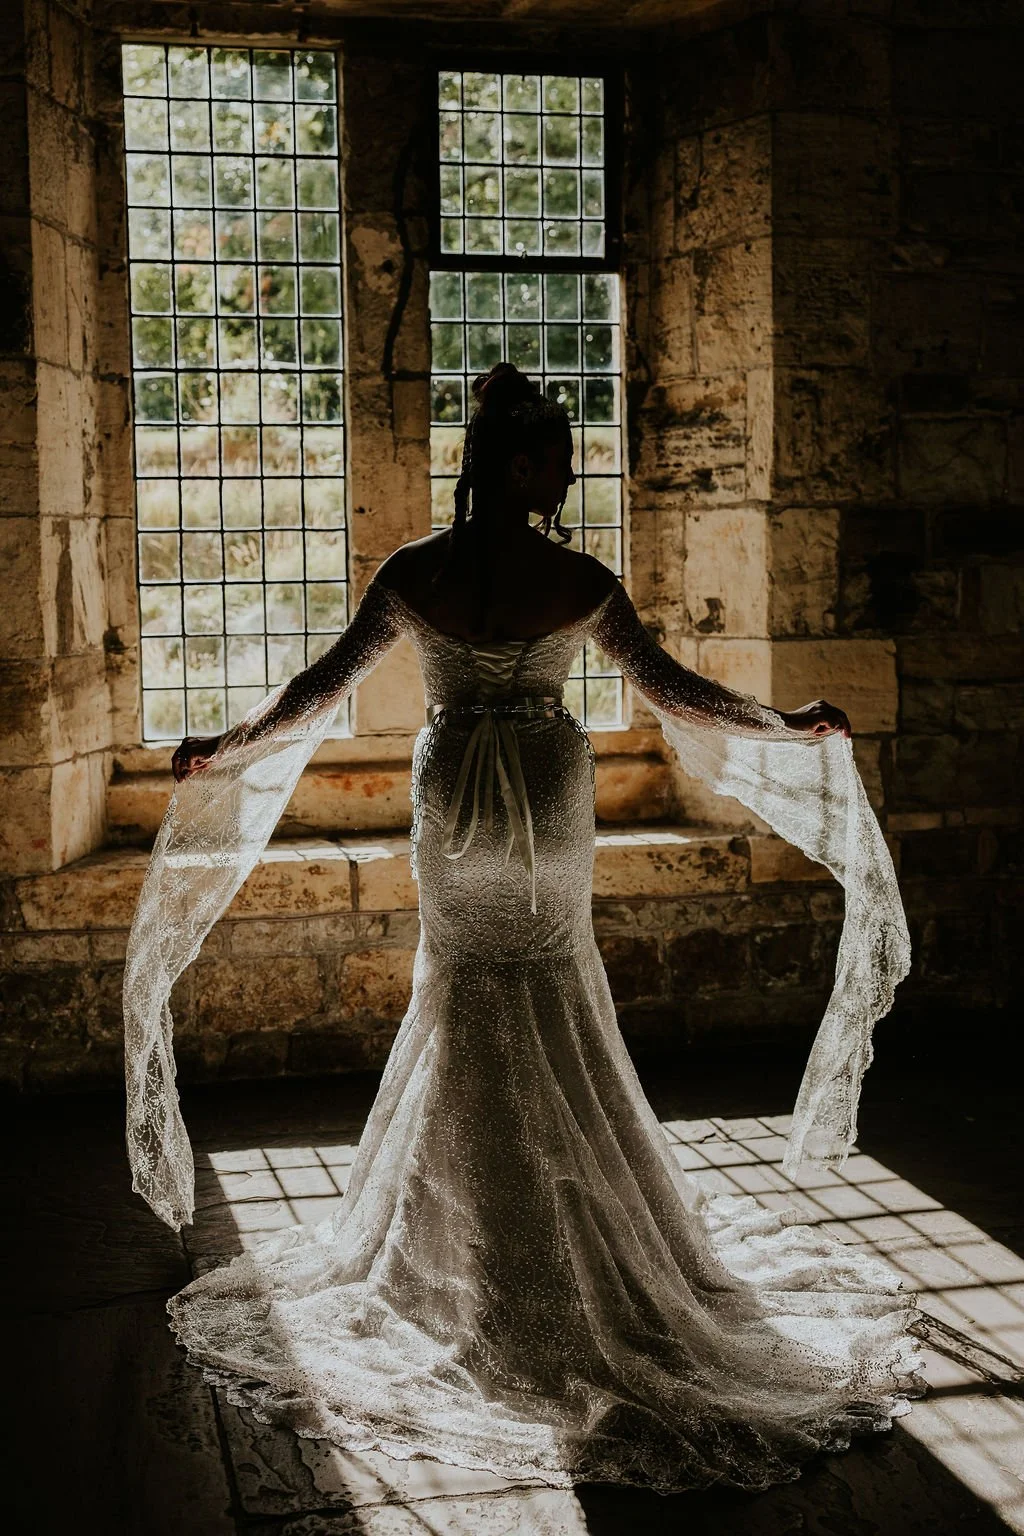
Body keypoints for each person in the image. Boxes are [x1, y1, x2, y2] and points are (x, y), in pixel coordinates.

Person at [126, 363, 919, 1494]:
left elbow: (319, 687)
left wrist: (229, 744)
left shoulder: (416, 573)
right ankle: (563, 1212)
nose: (567, 478)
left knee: (464, 983)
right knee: (544, 980)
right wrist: (783, 726)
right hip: (546, 789)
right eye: (556, 459)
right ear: (516, 467)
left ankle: (462, 1241)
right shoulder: (580, 579)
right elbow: (673, 690)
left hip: (454, 787)